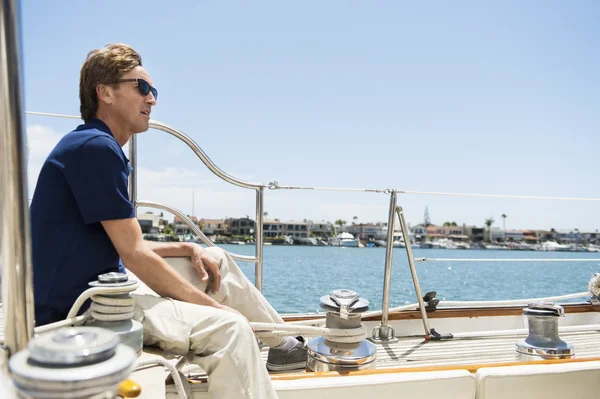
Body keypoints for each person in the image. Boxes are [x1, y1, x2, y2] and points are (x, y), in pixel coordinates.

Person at [30, 43, 306, 399]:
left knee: (214, 257)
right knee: (231, 328)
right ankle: (254, 337)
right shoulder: (95, 150)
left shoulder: (95, 146)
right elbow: (133, 255)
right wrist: (216, 310)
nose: (152, 99)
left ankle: (283, 343)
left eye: (153, 91)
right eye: (141, 88)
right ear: (105, 92)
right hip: (82, 310)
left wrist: (188, 246)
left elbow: (124, 243)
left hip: (102, 289)